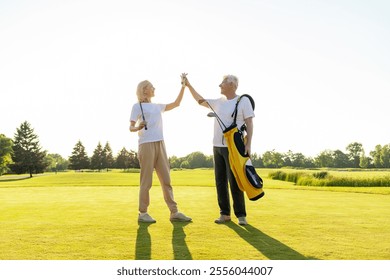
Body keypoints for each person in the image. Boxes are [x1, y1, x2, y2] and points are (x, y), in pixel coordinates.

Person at [183, 74, 254, 226]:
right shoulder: (218, 102)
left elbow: (249, 122)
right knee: (220, 181)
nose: (219, 85)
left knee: (234, 179)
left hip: (234, 146)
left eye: (222, 83)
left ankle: (241, 215)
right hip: (217, 146)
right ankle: (225, 214)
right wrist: (188, 85)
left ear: (232, 85)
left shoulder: (243, 101)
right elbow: (199, 100)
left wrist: (249, 145)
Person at [129, 76, 192, 223]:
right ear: (144, 90)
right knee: (147, 181)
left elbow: (176, 103)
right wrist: (138, 127)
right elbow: (131, 127)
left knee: (166, 180)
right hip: (146, 145)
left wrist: (183, 86)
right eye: (152, 87)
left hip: (160, 144)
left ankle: (174, 212)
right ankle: (143, 213)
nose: (154, 89)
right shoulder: (136, 106)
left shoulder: (157, 106)